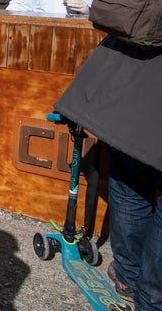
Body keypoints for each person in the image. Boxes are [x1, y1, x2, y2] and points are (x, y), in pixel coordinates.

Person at [54, 30, 162, 307]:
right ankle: (150, 296)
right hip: (138, 84)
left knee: (130, 184)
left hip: (132, 83)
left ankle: (130, 278)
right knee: (130, 183)